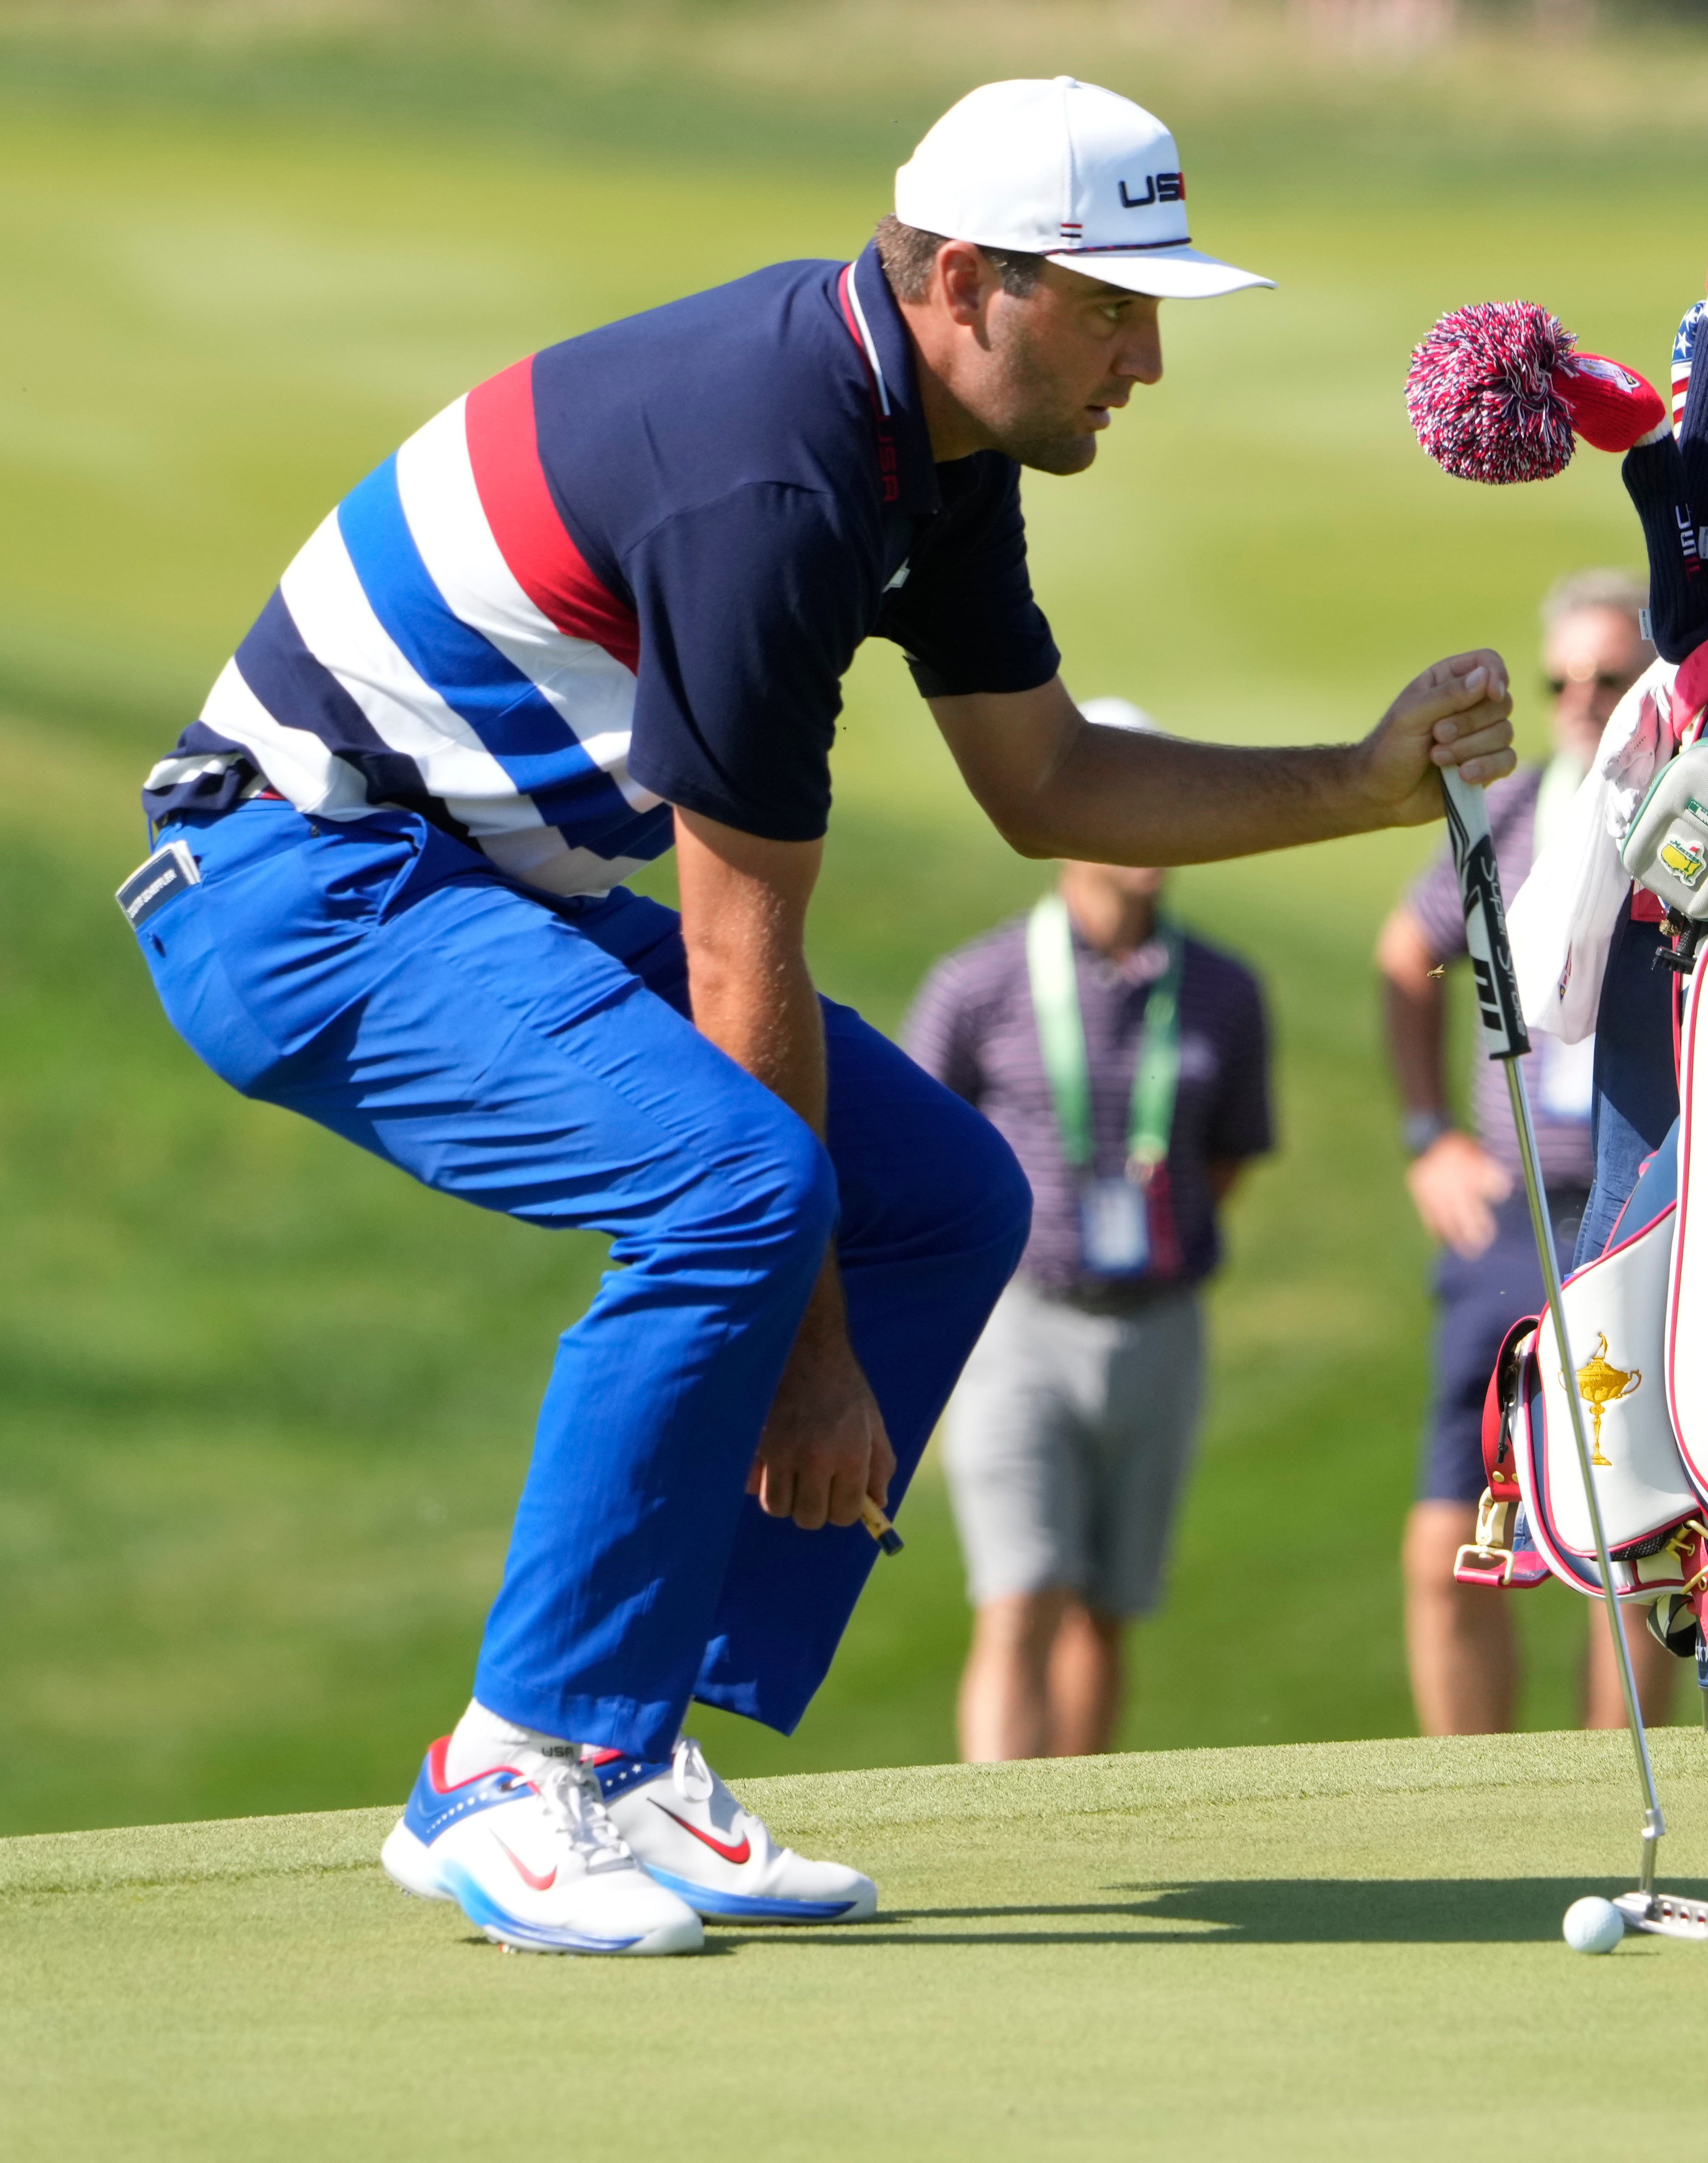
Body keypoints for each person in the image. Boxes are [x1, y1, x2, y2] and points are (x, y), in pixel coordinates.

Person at [118, 77, 1513, 1957]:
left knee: (943, 1188)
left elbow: (1045, 781)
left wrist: (1357, 779)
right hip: (296, 889)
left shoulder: (926, 447)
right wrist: (808, 1345)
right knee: (742, 1193)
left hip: (462, 880)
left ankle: (618, 1751)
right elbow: (736, 941)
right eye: (1112, 306)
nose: (1149, 358)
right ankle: (504, 1763)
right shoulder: (773, 478)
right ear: (962, 281)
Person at [905, 699, 1272, 1762]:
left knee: (1109, 1611)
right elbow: (914, 1152)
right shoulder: (976, 986)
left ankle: (1081, 1817)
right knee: (1021, 1595)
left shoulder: (1225, 990)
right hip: (1017, 1321)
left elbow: (1230, 1155)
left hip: (1161, 1323)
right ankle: (996, 1836)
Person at [1382, 568, 1677, 1736]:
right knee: (1454, 1510)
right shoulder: (1505, 823)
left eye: (1609, 678)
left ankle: (1622, 1777)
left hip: (1642, 1191)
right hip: (1514, 1205)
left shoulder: (1684, 818)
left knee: (1636, 1520)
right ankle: (1473, 1783)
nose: (1583, 700)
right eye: (1564, 680)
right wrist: (1428, 1138)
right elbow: (1408, 954)